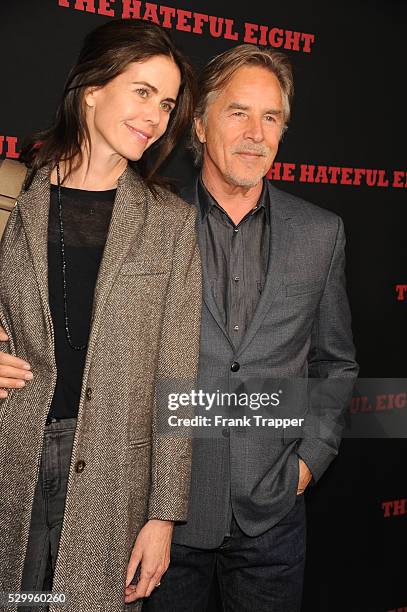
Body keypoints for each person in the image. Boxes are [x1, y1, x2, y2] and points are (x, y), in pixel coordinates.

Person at [142, 44, 359, 611]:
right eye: (238, 112)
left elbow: (334, 362)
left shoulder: (321, 233)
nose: (255, 134)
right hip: (166, 518)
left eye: (271, 118)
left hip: (274, 517)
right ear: (199, 124)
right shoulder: (150, 223)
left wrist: (307, 463)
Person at [0, 19, 201, 611]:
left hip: (112, 482)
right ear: (92, 89)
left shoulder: (170, 224)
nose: (155, 116)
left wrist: (163, 517)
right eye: (141, 92)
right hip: (13, 455)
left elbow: (178, 377)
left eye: (166, 103)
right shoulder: (15, 197)